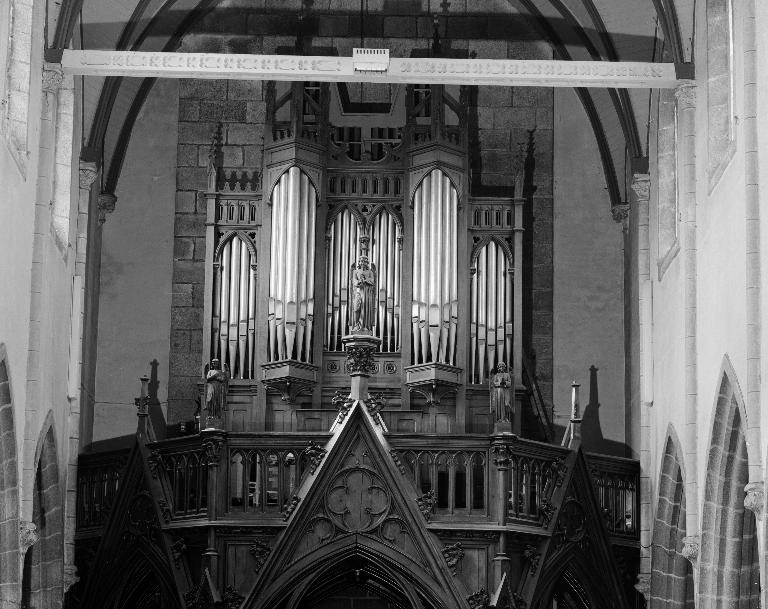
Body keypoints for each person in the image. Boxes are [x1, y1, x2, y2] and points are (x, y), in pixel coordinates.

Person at [350, 255, 376, 333]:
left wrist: (365, 280)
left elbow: (372, 281)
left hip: (366, 292)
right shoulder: (355, 271)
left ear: (367, 263)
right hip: (358, 291)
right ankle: (356, 325)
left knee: (365, 308)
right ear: (359, 262)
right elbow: (354, 281)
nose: (363, 263)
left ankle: (365, 326)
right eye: (361, 261)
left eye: (364, 261)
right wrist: (359, 281)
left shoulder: (370, 272)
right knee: (356, 308)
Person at [205, 358, 230, 424]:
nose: (214, 364)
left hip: (218, 388)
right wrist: (215, 376)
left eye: (216, 363)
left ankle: (217, 416)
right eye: (213, 363)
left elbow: (223, 379)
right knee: (210, 400)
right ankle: (210, 415)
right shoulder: (210, 371)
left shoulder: (221, 372)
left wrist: (215, 377)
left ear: (218, 364)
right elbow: (207, 379)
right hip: (211, 387)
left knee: (217, 401)